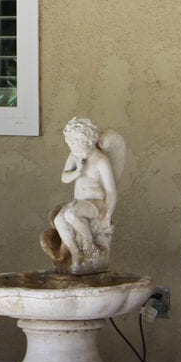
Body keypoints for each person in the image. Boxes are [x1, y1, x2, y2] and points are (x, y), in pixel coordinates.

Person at [42, 117, 125, 274]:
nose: (72, 148)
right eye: (70, 144)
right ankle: (76, 254)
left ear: (88, 140)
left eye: (75, 144)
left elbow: (111, 191)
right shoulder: (74, 156)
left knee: (71, 213)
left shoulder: (101, 161)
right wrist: (76, 172)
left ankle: (88, 245)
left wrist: (107, 213)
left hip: (95, 204)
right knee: (59, 219)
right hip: (79, 202)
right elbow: (64, 177)